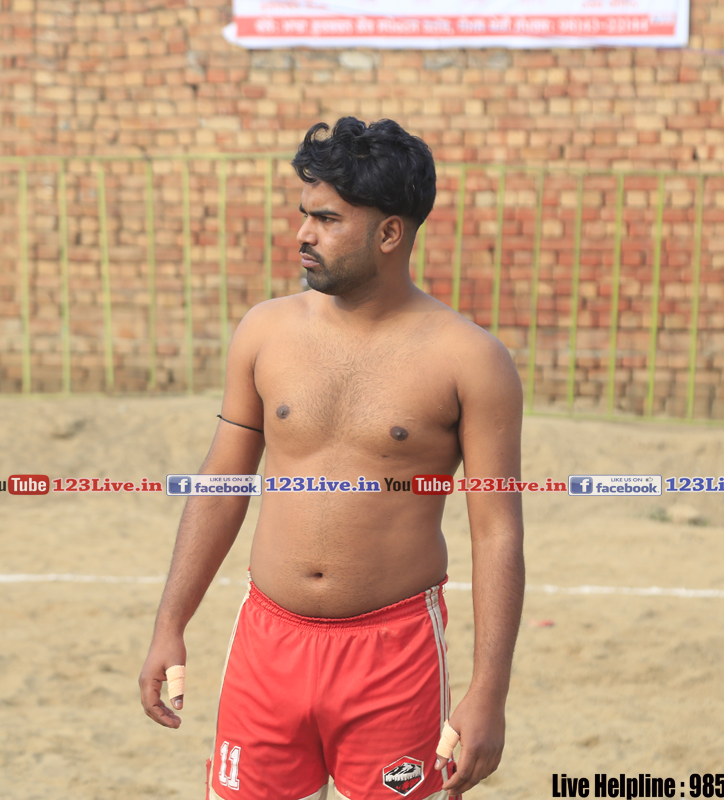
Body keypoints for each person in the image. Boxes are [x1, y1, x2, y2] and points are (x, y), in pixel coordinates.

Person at [139, 117, 525, 800]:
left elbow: (496, 531)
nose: (303, 234)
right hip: (267, 643)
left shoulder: (470, 360)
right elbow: (223, 480)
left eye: (326, 219)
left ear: (389, 233)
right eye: (304, 214)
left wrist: (489, 693)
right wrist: (170, 624)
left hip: (394, 654)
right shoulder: (265, 330)